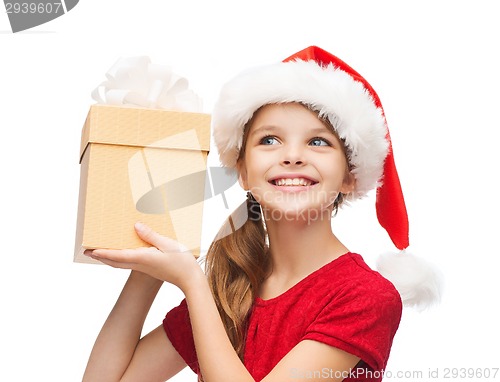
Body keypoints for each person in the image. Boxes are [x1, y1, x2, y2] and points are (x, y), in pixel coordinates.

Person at [82, 46, 441, 382]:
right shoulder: (231, 288)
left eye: (318, 142)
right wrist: (150, 269)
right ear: (242, 172)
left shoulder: (365, 296)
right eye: (269, 140)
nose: (292, 156)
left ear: (350, 176)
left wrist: (191, 282)